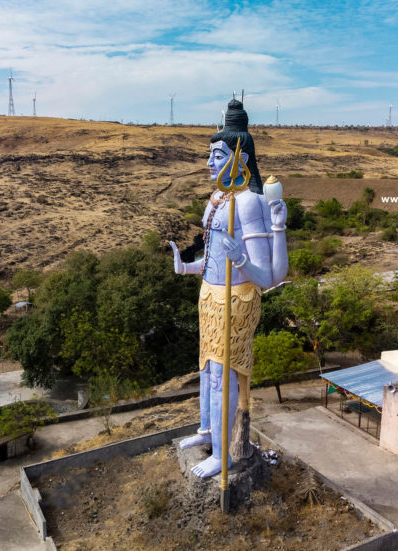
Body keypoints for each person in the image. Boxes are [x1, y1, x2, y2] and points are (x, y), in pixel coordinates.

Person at [169, 99, 288, 478]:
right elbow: (213, 256)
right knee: (206, 369)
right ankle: (207, 431)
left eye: (217, 156)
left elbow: (270, 277)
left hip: (236, 300)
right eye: (210, 155)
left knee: (223, 376)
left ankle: (223, 455)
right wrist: (188, 267)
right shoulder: (218, 200)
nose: (209, 163)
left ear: (241, 159)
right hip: (210, 296)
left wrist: (242, 261)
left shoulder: (250, 204)